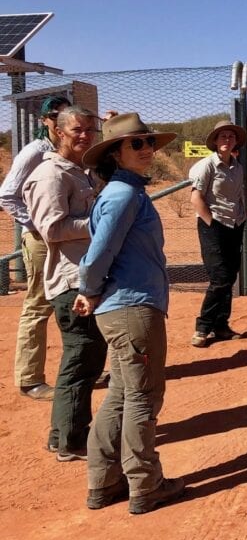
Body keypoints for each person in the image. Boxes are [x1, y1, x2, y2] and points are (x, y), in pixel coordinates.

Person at [75, 113, 185, 514]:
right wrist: (88, 289)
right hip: (133, 309)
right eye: (136, 144)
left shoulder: (127, 193)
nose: (147, 149)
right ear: (115, 153)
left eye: (149, 142)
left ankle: (102, 483)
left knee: (122, 395)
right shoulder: (123, 195)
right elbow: (98, 253)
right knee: (143, 398)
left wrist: (93, 291)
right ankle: (145, 485)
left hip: (125, 307)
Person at [23, 106, 106, 460]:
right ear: (57, 132)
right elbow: (52, 228)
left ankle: (62, 434)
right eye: (77, 130)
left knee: (86, 355)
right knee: (82, 356)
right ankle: (73, 439)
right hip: (71, 281)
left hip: (85, 275)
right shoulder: (51, 175)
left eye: (90, 129)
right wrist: (100, 221)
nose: (85, 135)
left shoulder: (81, 171)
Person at [0, 94, 71, 400]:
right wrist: (35, 225)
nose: (61, 121)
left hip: (69, 238)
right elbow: (7, 195)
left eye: (66, 115)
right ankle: (30, 379)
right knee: (39, 305)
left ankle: (78, 368)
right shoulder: (36, 151)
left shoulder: (69, 150)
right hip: (42, 240)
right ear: (45, 121)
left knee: (70, 301)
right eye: (55, 116)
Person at [188, 120, 247, 348]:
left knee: (230, 276)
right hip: (213, 226)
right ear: (215, 141)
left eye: (231, 137)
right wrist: (211, 224)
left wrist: (244, 215)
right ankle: (203, 326)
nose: (227, 140)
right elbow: (196, 198)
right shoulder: (206, 166)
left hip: (235, 224)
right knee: (220, 277)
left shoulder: (237, 166)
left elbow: (239, 195)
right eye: (222, 136)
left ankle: (221, 324)